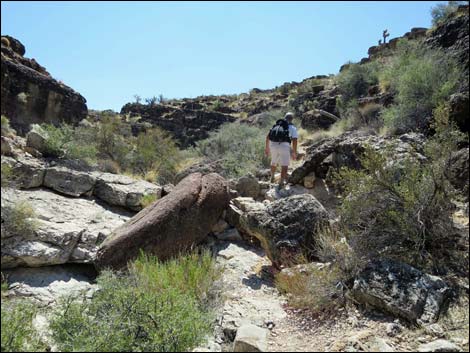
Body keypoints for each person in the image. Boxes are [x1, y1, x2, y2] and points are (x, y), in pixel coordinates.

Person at [265, 112, 298, 187]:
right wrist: (294, 152)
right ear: (292, 119)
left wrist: (267, 148)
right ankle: (281, 183)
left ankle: (272, 177)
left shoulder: (277, 126)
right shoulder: (292, 128)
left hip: (273, 145)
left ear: (284, 117)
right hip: (284, 145)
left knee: (273, 161)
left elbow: (267, 137)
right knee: (284, 165)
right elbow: (295, 140)